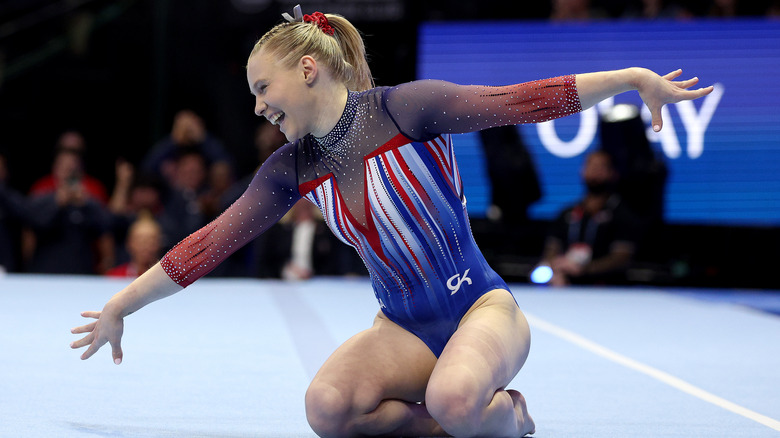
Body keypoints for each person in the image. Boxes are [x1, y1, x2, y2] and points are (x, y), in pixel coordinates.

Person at [71, 5, 713, 437]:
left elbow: (521, 103)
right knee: (325, 409)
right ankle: (449, 427)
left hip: (481, 311)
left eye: (263, 89)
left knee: (458, 400)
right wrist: (122, 303)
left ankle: (508, 419)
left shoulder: (409, 109)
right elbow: (210, 243)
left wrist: (630, 79)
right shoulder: (293, 169)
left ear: (307, 68)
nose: (259, 107)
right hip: (403, 328)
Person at [540, 150, 643, 286]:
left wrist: (584, 269)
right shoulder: (566, 214)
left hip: (608, 289)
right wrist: (555, 267)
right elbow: (551, 250)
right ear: (582, 171)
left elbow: (621, 258)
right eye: (591, 166)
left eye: (601, 167)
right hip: (566, 286)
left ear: (613, 173)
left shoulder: (623, 216)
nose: (595, 171)